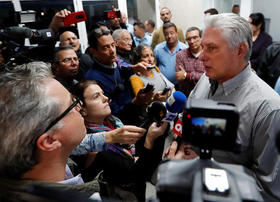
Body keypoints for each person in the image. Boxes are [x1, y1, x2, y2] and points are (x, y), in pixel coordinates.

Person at [187, 13, 280, 201]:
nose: (202, 57)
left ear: (240, 50)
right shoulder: (206, 79)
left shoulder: (268, 108)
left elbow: (267, 190)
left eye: (212, 48)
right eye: (203, 47)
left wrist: (204, 175)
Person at [72, 80, 168, 201]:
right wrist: (149, 141)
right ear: (82, 109)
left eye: (103, 93)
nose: (106, 98)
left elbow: (130, 121)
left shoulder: (112, 121)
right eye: (96, 96)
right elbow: (135, 176)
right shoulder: (92, 147)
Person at [84, 28, 152, 125]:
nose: (112, 51)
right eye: (105, 48)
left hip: (136, 116)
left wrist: (134, 68)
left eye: (112, 45)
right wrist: (137, 101)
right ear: (93, 51)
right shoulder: (92, 80)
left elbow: (123, 71)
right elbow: (111, 113)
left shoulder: (114, 65)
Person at [175, 27, 205, 96]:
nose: (192, 41)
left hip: (204, 96)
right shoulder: (180, 55)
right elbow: (180, 76)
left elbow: (208, 78)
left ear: (201, 38)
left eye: (195, 38)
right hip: (186, 96)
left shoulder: (208, 54)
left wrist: (186, 75)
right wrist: (198, 76)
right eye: (189, 39)